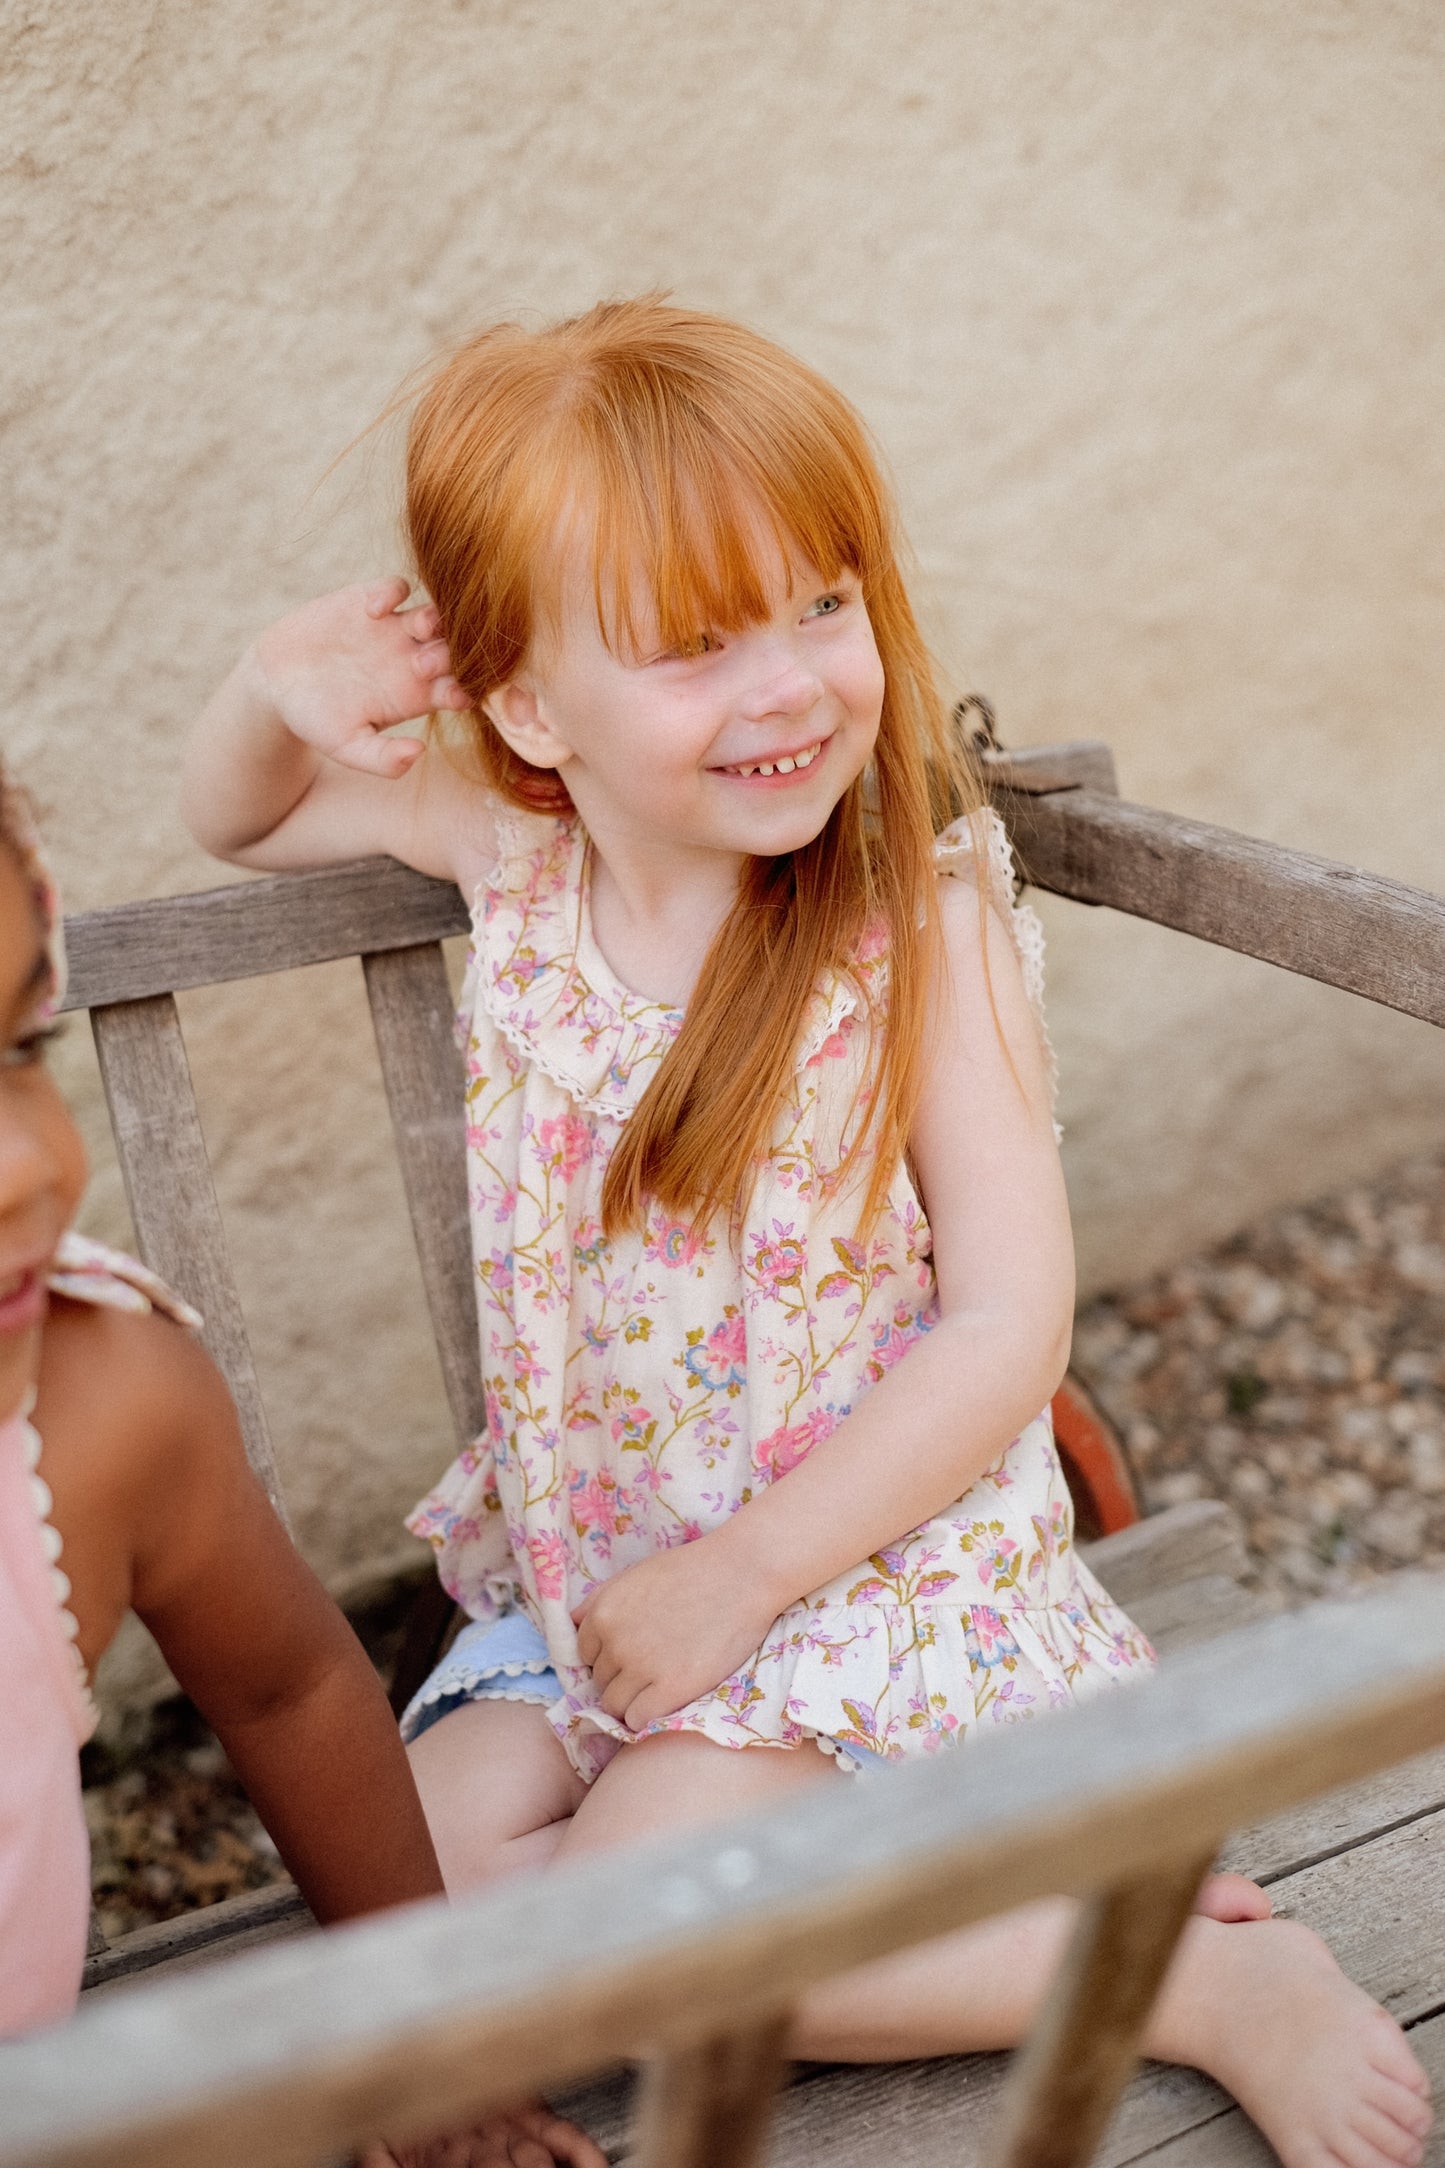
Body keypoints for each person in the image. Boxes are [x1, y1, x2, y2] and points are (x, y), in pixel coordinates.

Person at [183, 297, 1430, 2168]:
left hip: (865, 1578)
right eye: (693, 645)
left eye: (821, 605)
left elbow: (1010, 1325)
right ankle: (771, 1887)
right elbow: (241, 822)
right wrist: (272, 686)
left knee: (614, 1944)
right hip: (597, 1594)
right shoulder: (510, 851)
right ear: (528, 706)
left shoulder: (908, 924)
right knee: (393, 1893)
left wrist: (750, 1573)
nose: (784, 685)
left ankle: (1179, 1977)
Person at [0, 768, 602, 2168]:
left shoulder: (101, 1408)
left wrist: (414, 2043)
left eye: (23, 1048)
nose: (31, 1167)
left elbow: (290, 1685)